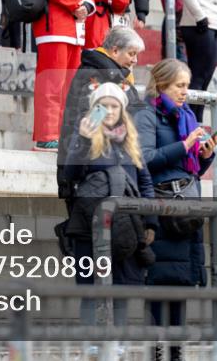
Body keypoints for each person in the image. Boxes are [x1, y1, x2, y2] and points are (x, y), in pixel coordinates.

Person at [135, 58, 217, 355]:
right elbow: (144, 159)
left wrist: (205, 154)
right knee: (160, 279)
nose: (186, 92)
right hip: (161, 205)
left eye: (187, 85)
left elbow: (190, 168)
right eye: (179, 86)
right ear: (162, 85)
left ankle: (176, 346)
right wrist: (183, 146)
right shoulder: (146, 113)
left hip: (187, 207)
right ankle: (159, 343)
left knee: (182, 280)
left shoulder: (186, 116)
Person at [63, 83, 157, 327]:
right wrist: (83, 141)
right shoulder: (83, 134)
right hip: (89, 225)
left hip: (126, 226)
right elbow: (71, 174)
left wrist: (150, 221)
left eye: (114, 106)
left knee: (121, 289)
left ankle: (118, 344)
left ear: (122, 110)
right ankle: (92, 344)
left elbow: (145, 183)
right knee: (91, 289)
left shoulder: (130, 140)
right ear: (94, 109)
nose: (109, 110)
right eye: (102, 106)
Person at [30, 0, 95, 151]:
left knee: (70, 85)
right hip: (53, 25)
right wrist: (76, 4)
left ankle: (63, 134)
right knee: (52, 83)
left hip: (74, 25)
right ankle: (46, 135)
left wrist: (86, 5)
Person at [57, 26, 144, 202]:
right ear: (115, 50)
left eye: (136, 55)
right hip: (92, 172)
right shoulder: (95, 76)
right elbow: (91, 121)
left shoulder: (114, 74)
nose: (135, 60)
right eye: (131, 54)